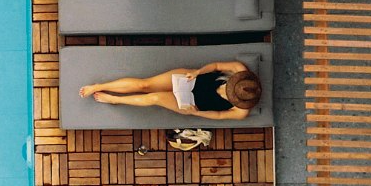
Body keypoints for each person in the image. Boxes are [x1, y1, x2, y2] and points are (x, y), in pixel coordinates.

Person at [78, 60, 261, 120]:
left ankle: (116, 100)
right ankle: (99, 86)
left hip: (194, 103)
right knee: (145, 85)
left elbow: (220, 116)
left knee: (155, 97)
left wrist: (196, 113)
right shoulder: (238, 68)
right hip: (193, 81)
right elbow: (216, 65)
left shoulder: (242, 111)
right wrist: (198, 72)